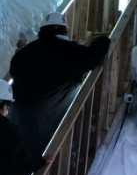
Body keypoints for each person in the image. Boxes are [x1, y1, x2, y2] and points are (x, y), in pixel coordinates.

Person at [10, 12, 110, 155]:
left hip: (18, 115)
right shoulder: (70, 52)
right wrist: (103, 40)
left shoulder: (25, 52)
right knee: (39, 157)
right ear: (64, 31)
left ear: (43, 30)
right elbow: (93, 57)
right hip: (46, 118)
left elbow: (13, 69)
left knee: (18, 154)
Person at [0, 80, 44, 175]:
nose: (7, 111)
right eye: (7, 106)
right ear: (2, 105)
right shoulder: (7, 130)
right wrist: (37, 163)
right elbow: (19, 173)